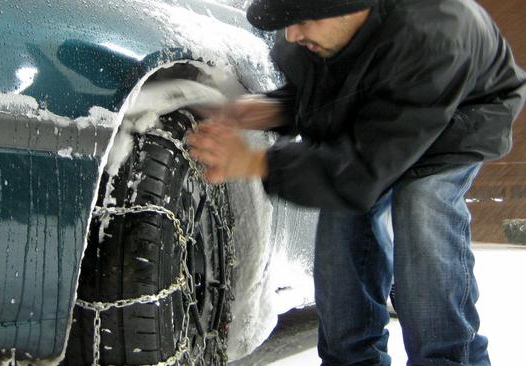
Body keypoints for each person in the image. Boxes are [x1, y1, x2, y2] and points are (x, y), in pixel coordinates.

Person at [187, 0, 526, 364]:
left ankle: (448, 356)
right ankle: (349, 358)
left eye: (305, 18)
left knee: (423, 202)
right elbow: (330, 98)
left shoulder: (434, 33)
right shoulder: (303, 41)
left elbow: (364, 168)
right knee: (341, 218)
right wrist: (273, 109)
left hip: (460, 114)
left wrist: (255, 161)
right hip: (394, 104)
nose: (291, 34)